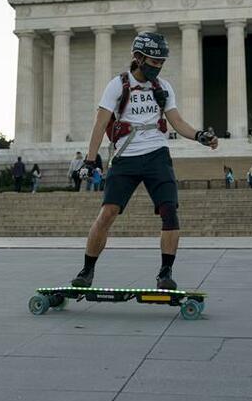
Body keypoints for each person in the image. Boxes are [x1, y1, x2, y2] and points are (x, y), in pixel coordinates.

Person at [70, 31, 219, 291]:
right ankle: (87, 270)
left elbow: (177, 122)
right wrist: (91, 160)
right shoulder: (118, 85)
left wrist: (199, 136)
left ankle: (165, 273)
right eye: (153, 61)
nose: (157, 66)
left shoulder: (164, 87)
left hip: (157, 155)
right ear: (138, 58)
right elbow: (100, 122)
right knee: (107, 213)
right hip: (125, 156)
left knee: (169, 211)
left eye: (161, 62)